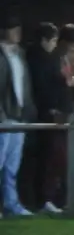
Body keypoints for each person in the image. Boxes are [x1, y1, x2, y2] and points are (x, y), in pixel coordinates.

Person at [27, 23, 74, 213]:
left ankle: (58, 198)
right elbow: (48, 86)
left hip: (64, 113)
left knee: (61, 159)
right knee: (49, 157)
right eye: (72, 45)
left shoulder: (61, 59)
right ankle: (45, 199)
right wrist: (68, 84)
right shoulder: (48, 60)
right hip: (53, 113)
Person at [0, 13, 36, 217]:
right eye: (13, 29)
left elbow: (25, 85)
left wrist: (28, 112)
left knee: (12, 166)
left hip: (18, 116)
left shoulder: (19, 54)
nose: (18, 33)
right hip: (4, 118)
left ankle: (11, 204)